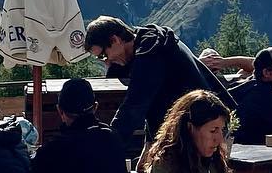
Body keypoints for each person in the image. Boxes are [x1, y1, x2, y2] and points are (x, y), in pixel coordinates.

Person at [85, 15, 234, 150]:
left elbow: (135, 104)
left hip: (207, 129)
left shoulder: (151, 52)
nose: (106, 62)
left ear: (115, 40)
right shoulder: (150, 45)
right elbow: (153, 103)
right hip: (198, 128)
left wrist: (107, 147)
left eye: (104, 55)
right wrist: (149, 144)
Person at [232, 46, 272, 144]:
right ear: (266, 72)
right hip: (256, 151)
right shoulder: (263, 94)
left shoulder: (246, 86)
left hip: (239, 147)